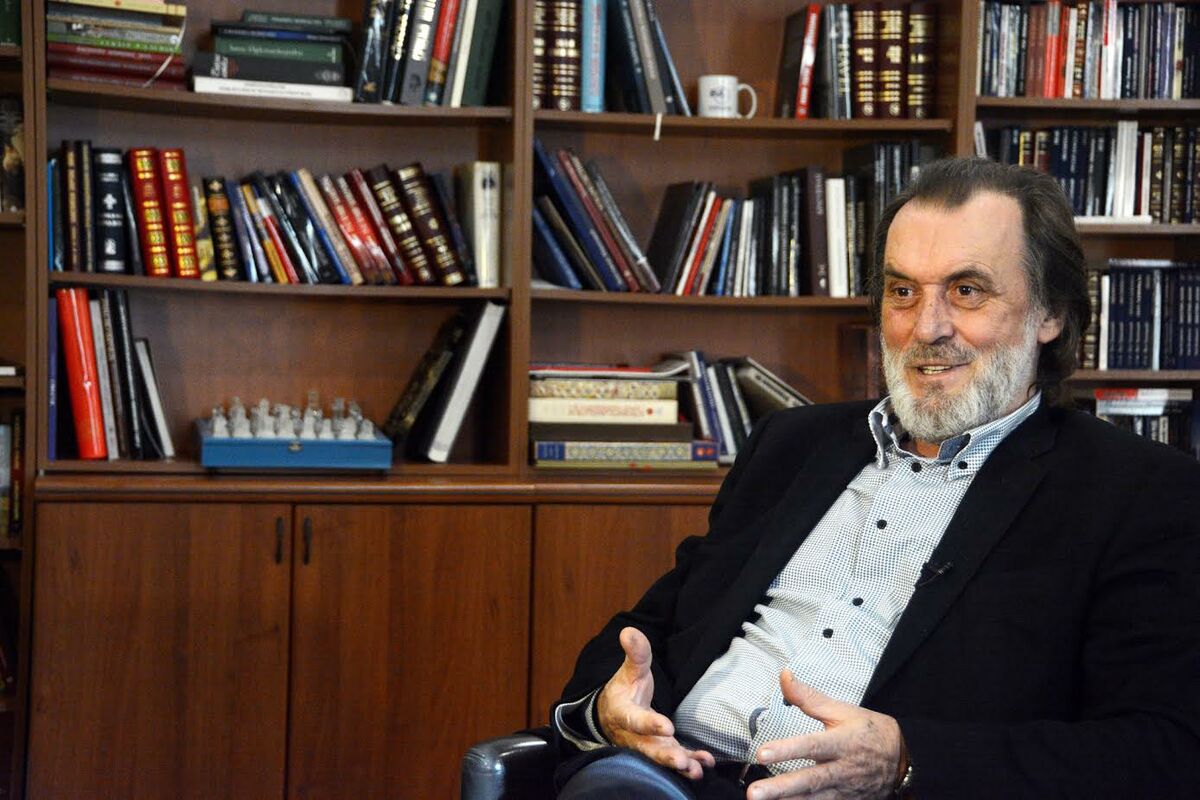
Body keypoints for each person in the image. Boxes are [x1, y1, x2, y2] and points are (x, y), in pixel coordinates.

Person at [549, 157, 1200, 799]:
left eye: (967, 291)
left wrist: (907, 761)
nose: (926, 328)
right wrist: (607, 708)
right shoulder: (791, 444)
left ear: (1050, 313)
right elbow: (654, 629)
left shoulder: (1139, 493)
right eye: (902, 291)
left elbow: (1162, 750)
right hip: (662, 778)